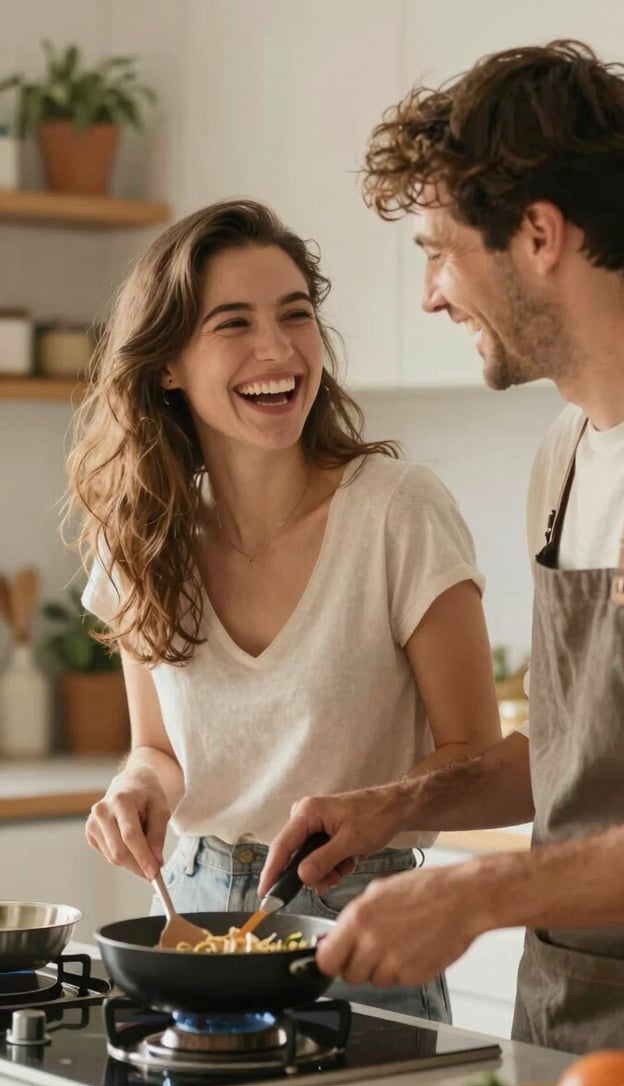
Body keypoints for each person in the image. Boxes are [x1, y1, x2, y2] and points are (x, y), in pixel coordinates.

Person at [260, 41, 624, 1067]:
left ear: (539, 235)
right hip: (567, 1028)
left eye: (442, 252)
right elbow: (581, 759)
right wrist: (394, 809)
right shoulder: (567, 454)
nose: (432, 297)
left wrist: (477, 890)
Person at [67, 198, 504, 1022]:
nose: (277, 350)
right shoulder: (143, 536)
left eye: (295, 315)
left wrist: (372, 810)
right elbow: (157, 748)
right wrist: (135, 788)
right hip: (191, 923)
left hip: (361, 920)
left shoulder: (397, 512)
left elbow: (474, 752)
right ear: (167, 366)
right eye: (233, 323)